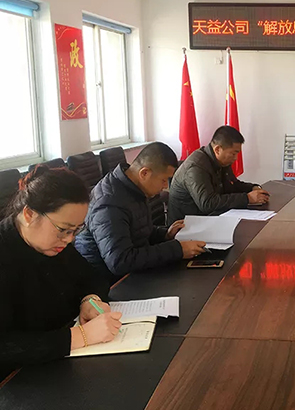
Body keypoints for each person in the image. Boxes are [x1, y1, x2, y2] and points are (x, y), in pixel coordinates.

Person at [0, 166, 121, 375]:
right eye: (64, 229)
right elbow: (5, 346)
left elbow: (92, 277)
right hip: (18, 379)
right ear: (29, 214)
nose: (69, 239)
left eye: (76, 230)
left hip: (63, 362)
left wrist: (90, 300)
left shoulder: (54, 244)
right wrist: (81, 336)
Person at [76, 142, 206, 283]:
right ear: (144, 173)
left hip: (134, 272)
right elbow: (120, 261)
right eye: (163, 180)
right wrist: (177, 249)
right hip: (110, 283)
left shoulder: (133, 188)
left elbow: (139, 231)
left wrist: (166, 234)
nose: (165, 186)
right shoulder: (109, 203)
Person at [168, 126, 269, 224]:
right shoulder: (196, 167)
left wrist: (252, 188)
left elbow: (232, 185)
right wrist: (247, 198)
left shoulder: (221, 161)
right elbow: (207, 203)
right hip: (186, 225)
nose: (235, 158)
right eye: (233, 153)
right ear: (217, 150)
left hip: (209, 218)